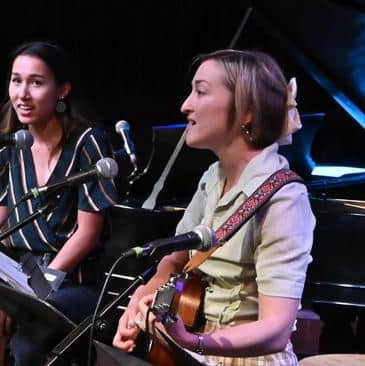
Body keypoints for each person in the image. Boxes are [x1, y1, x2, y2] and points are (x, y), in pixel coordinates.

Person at [112, 49, 315, 366]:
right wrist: (141, 299)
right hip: (192, 346)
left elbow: (276, 330)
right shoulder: (212, 177)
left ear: (246, 111)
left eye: (200, 91)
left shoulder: (285, 199)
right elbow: (177, 263)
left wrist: (195, 342)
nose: (185, 105)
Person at [0, 41, 118, 366]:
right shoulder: (6, 152)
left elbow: (87, 233)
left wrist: (32, 293)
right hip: (12, 274)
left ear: (62, 90)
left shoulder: (88, 143)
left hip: (69, 279)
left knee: (27, 348)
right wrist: (5, 294)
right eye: (16, 80)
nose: (22, 93)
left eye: (36, 83)